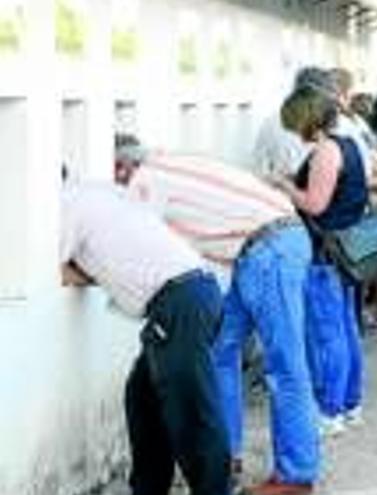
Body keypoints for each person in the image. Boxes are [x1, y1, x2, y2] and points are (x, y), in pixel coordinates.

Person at [114, 138, 321, 495]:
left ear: (121, 168)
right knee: (216, 353)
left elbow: (140, 239)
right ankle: (224, 459)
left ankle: (296, 475)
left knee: (285, 366)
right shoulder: (172, 161)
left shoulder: (146, 180)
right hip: (257, 247)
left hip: (268, 247)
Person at [60, 183, 231, 495]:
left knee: (191, 413)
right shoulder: (97, 196)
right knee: (142, 399)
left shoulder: (65, 205)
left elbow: (46, 267)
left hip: (179, 301)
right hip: (191, 293)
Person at [272, 80, 369, 438]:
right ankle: (350, 403)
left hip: (325, 254)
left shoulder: (327, 151)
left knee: (327, 334)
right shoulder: (350, 144)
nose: (295, 132)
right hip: (347, 250)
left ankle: (330, 411)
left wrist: (284, 186)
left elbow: (315, 204)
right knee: (345, 329)